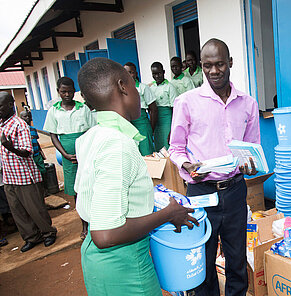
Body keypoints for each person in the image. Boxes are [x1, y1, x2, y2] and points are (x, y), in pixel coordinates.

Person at [75, 57, 198, 296]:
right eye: (133, 83)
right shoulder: (117, 145)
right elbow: (106, 234)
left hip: (97, 261)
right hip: (124, 265)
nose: (139, 91)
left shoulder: (91, 136)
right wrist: (168, 214)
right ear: (122, 86)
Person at [169, 38, 260, 296]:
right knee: (204, 263)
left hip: (234, 190)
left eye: (219, 64)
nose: (214, 71)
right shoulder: (186, 102)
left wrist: (250, 166)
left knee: (237, 260)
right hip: (201, 193)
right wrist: (187, 164)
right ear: (201, 66)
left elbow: (252, 148)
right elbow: (176, 148)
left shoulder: (248, 103)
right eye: (207, 65)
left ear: (230, 63)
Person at [0, 92, 57, 252]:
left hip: (24, 177)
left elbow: (27, 151)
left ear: (10, 105)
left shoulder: (19, 125)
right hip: (9, 178)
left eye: (1, 106)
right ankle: (32, 237)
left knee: (35, 209)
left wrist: (10, 147)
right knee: (18, 211)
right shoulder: (2, 125)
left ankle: (48, 233)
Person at [43, 77, 96, 240]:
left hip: (85, 152)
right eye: (63, 91)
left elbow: (92, 130)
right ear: (58, 92)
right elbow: (53, 135)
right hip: (68, 156)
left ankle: (96, 221)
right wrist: (65, 154)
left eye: (70, 91)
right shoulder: (54, 111)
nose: (67, 94)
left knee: (91, 185)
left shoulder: (83, 109)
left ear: (75, 91)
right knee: (76, 190)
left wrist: (86, 151)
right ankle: (84, 224)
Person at [124, 62, 158, 156]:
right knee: (134, 155)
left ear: (136, 73)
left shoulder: (143, 88)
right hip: (129, 125)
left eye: (131, 72)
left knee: (146, 153)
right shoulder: (122, 89)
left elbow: (153, 109)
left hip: (142, 124)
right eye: (126, 73)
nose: (129, 75)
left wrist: (150, 128)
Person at [150, 62, 178, 151]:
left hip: (167, 120)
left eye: (159, 73)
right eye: (154, 74)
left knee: (168, 144)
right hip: (156, 120)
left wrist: (173, 127)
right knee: (158, 145)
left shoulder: (170, 87)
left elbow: (175, 109)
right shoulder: (151, 88)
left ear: (164, 72)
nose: (157, 76)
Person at [19, 111, 47, 185]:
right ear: (21, 119)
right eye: (25, 116)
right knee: (34, 173)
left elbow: (36, 142)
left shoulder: (33, 129)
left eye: (28, 116)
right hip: (30, 157)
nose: (27, 118)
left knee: (43, 171)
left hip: (37, 155)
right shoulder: (20, 131)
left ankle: (44, 187)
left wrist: (41, 153)